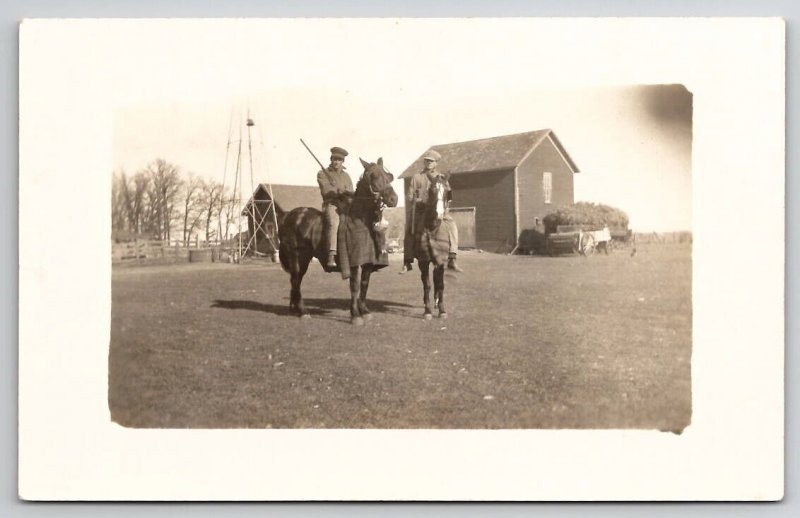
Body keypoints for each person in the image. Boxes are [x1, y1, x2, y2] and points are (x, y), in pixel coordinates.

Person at [400, 149, 463, 273]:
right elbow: (410, 196)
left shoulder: (441, 178)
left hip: (439, 211)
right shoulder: (416, 177)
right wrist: (418, 201)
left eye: (431, 161)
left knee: (452, 226)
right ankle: (407, 261)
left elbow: (449, 194)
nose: (428, 163)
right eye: (427, 160)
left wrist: (446, 203)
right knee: (408, 229)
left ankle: (452, 258)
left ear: (436, 163)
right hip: (420, 211)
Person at [317, 146, 354, 269]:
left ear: (343, 161)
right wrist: (338, 190)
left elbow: (351, 191)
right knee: (335, 223)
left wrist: (347, 193)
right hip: (332, 204)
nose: (336, 162)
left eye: (339, 160)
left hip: (346, 205)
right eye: (334, 159)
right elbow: (325, 190)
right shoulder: (322, 173)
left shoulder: (346, 176)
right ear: (331, 159)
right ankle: (332, 255)